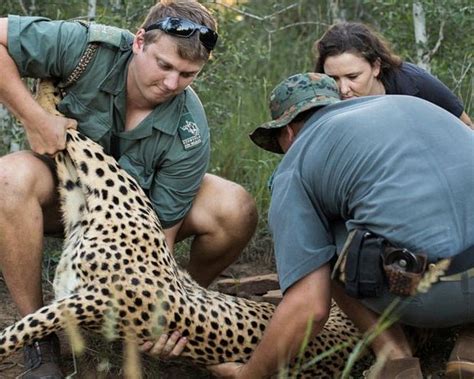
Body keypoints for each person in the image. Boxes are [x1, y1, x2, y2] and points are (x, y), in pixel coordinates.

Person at [0, 1, 257, 378]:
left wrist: (158, 307)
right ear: (139, 42)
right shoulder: (87, 48)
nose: (172, 83)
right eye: (164, 65)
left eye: (188, 74)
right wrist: (33, 117)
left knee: (235, 206)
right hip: (62, 199)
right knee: (7, 178)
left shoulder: (190, 131)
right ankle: (40, 338)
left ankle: (180, 308)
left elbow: (160, 239)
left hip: (136, 226)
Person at [209, 73, 474, 378]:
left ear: (288, 133)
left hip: (428, 295)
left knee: (325, 236)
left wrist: (248, 374)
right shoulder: (411, 106)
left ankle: (395, 358)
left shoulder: (296, 160)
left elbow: (310, 308)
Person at [313, 21, 473, 128]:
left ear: (375, 66)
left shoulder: (415, 84)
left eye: (353, 77)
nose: (343, 89)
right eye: (333, 78)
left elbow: (467, 129)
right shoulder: (319, 98)